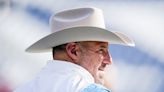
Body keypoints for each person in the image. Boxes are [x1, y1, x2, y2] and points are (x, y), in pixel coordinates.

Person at [14, 7, 135, 92]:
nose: (109, 60)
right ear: (73, 51)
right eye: (101, 50)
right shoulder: (87, 89)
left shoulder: (22, 89)